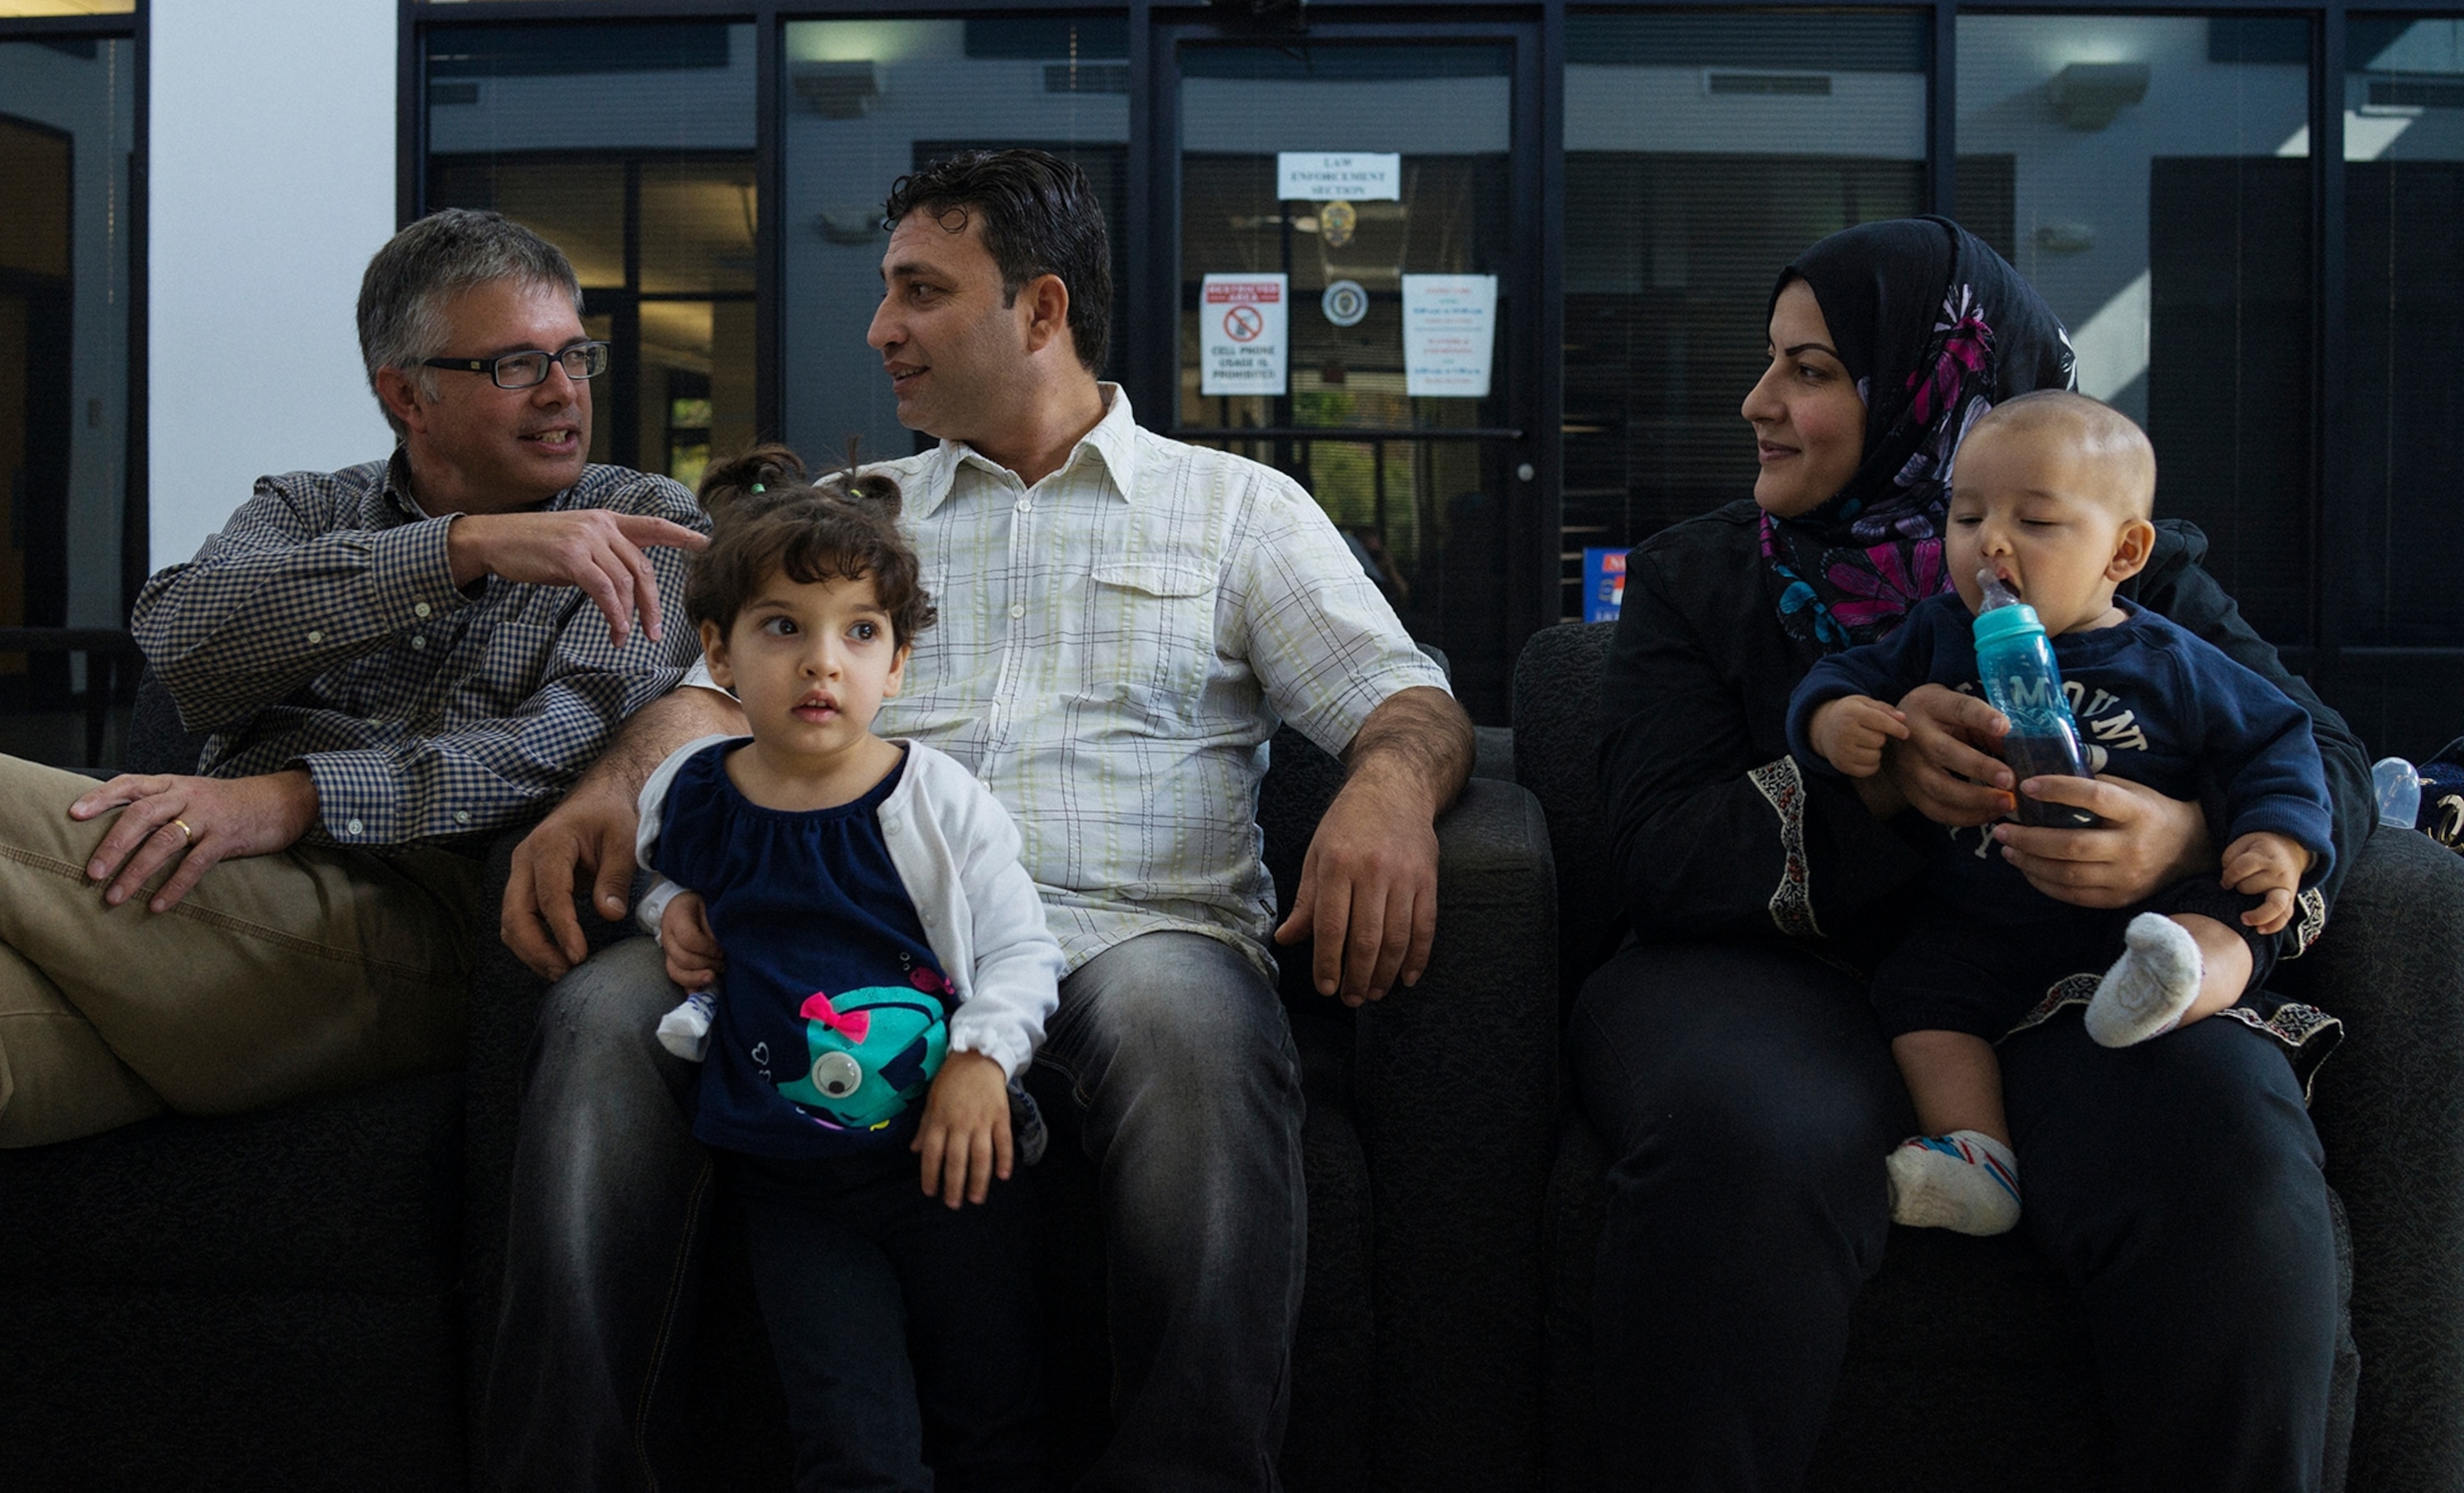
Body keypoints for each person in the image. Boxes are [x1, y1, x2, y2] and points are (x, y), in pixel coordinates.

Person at [484, 148, 1475, 1491]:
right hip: (851, 934)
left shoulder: (1234, 511)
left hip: (1135, 932)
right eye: (886, 291)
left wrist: (1385, 785)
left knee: (1189, 1033)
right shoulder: (856, 522)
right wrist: (613, 788)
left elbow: (1404, 698)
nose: (881, 328)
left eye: (920, 292)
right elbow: (710, 703)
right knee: (601, 1017)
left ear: (1041, 309)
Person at [1574, 216, 2372, 1493]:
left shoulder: (2120, 565)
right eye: (1771, 362)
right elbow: (1653, 852)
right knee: (1747, 1142)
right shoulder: (1700, 579)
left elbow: (2322, 756)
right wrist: (1873, 788)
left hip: (2055, 973)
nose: (1757, 402)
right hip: (1781, 979)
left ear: (1942, 393)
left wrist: (2192, 836)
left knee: (2227, 1147)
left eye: (1813, 371)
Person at [0, 207, 709, 1489]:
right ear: (407, 392)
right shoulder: (306, 509)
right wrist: (458, 551)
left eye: (575, 356)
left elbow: (562, 746)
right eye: (515, 363)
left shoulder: (642, 519)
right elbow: (188, 638)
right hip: (205, 923)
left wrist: (291, 798)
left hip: (418, 934)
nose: (562, 391)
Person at [1789, 391, 2335, 1237]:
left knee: (2229, 916)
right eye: (1966, 517)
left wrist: (2277, 836)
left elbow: (2278, 739)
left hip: (2140, 916)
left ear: (2124, 550)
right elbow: (1839, 679)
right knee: (1918, 994)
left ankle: (2174, 986)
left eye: (2035, 522)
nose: (1990, 544)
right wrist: (1835, 723)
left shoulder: (2170, 657)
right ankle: (1978, 1154)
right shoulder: (1938, 630)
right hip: (1982, 915)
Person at [636, 442, 1063, 1493]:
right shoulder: (694, 791)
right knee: (850, 1441)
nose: (822, 662)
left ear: (897, 664)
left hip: (950, 1166)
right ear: (719, 653)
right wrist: (671, 909)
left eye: (859, 632)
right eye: (784, 626)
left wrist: (980, 1061)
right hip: (791, 1186)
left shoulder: (937, 801)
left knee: (992, 1421)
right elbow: (655, 878)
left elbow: (1022, 949)